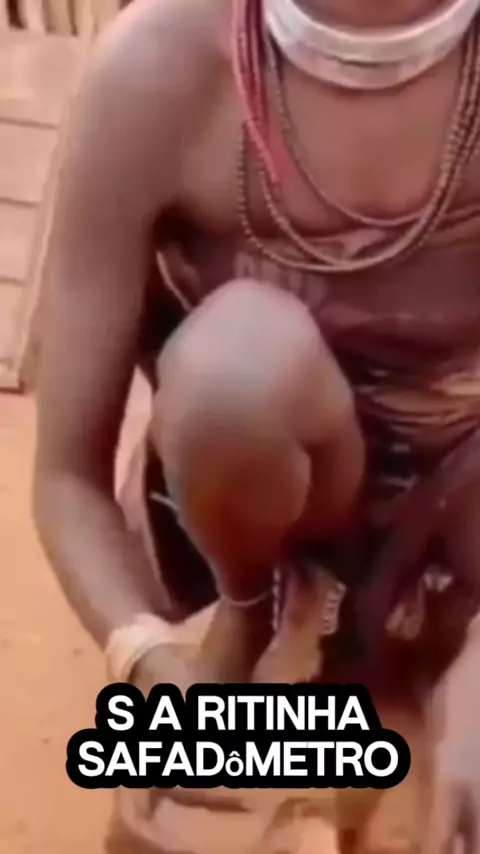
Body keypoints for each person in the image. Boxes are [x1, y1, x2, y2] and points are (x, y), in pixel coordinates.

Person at [33, 0, 480, 850]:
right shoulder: (158, 67)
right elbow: (65, 477)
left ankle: (447, 636)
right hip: (277, 499)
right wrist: (146, 659)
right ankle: (266, 612)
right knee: (237, 369)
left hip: (467, 494)